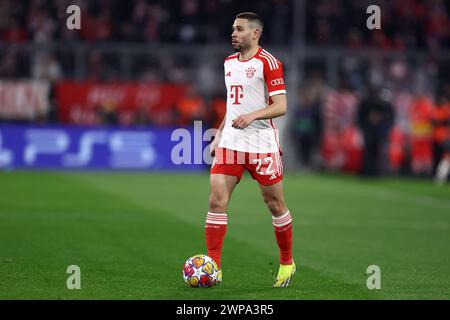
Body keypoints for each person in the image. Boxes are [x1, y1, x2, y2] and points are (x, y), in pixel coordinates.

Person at [206, 12, 295, 287]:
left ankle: (286, 262)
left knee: (275, 204)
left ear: (255, 33)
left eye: (240, 29)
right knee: (216, 201)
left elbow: (281, 106)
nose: (233, 33)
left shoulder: (269, 63)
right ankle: (214, 268)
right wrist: (219, 136)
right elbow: (234, 107)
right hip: (232, 141)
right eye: (233, 28)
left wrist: (253, 116)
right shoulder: (228, 63)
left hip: (261, 144)